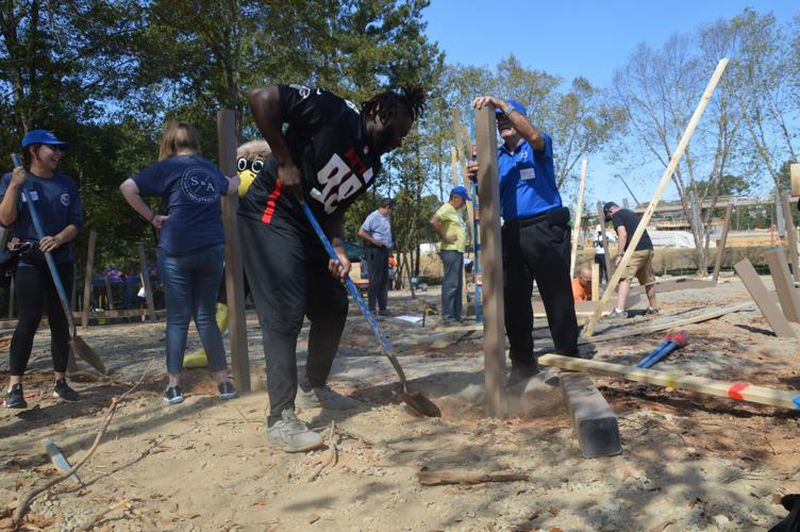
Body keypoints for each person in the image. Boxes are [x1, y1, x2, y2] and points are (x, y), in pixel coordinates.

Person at [239, 83, 425, 452]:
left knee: (332, 306)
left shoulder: (371, 166)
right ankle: (280, 418)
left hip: (311, 230)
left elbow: (335, 208)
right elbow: (261, 97)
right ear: (383, 114)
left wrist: (338, 247)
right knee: (285, 310)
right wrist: (286, 161)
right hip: (272, 213)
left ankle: (314, 387)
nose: (400, 142)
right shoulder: (331, 110)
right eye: (400, 132)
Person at [120, 120, 240, 405]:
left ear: (171, 143)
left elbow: (127, 187)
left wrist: (151, 217)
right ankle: (224, 382)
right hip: (211, 248)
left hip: (176, 250)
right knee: (206, 317)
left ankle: (174, 387)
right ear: (195, 141)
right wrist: (248, 170)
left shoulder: (167, 168)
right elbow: (232, 187)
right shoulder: (208, 167)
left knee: (177, 318)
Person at [468, 96, 579, 381]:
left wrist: (501, 104)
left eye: (506, 118)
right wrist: (477, 176)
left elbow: (531, 133)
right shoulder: (495, 157)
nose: (502, 123)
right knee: (514, 301)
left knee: (556, 296)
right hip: (512, 231)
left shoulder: (538, 144)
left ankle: (569, 360)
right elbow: (486, 197)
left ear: (520, 117)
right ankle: (522, 363)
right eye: (498, 121)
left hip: (545, 227)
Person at [1, 130, 83, 408]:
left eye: (61, 149)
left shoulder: (67, 184)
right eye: (53, 148)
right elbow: (6, 218)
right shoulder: (14, 180)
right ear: (33, 150)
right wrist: (14, 186)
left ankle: (60, 382)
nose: (58, 154)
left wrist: (58, 238)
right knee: (30, 318)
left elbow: (75, 223)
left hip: (61, 259)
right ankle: (15, 387)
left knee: (60, 320)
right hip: (29, 260)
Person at [602, 201, 659, 317]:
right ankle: (653, 307)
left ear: (610, 211)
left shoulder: (617, 215)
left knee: (624, 278)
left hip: (635, 251)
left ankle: (619, 311)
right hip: (647, 248)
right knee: (648, 280)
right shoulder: (631, 214)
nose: (611, 219)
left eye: (609, 217)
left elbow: (622, 234)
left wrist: (620, 254)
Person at [430, 185, 470, 324]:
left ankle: (456, 315)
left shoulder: (457, 210)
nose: (464, 203)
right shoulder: (446, 208)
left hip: (457, 251)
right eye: (463, 199)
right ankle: (448, 317)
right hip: (450, 250)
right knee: (451, 284)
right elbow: (433, 221)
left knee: (457, 284)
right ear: (455, 198)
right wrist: (444, 236)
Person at [358, 197, 393, 316]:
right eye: (391, 209)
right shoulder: (373, 216)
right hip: (374, 250)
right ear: (387, 207)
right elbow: (361, 232)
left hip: (384, 250)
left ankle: (383, 308)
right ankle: (371, 309)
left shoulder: (386, 217)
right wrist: (374, 241)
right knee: (375, 280)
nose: (391, 212)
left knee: (384, 279)